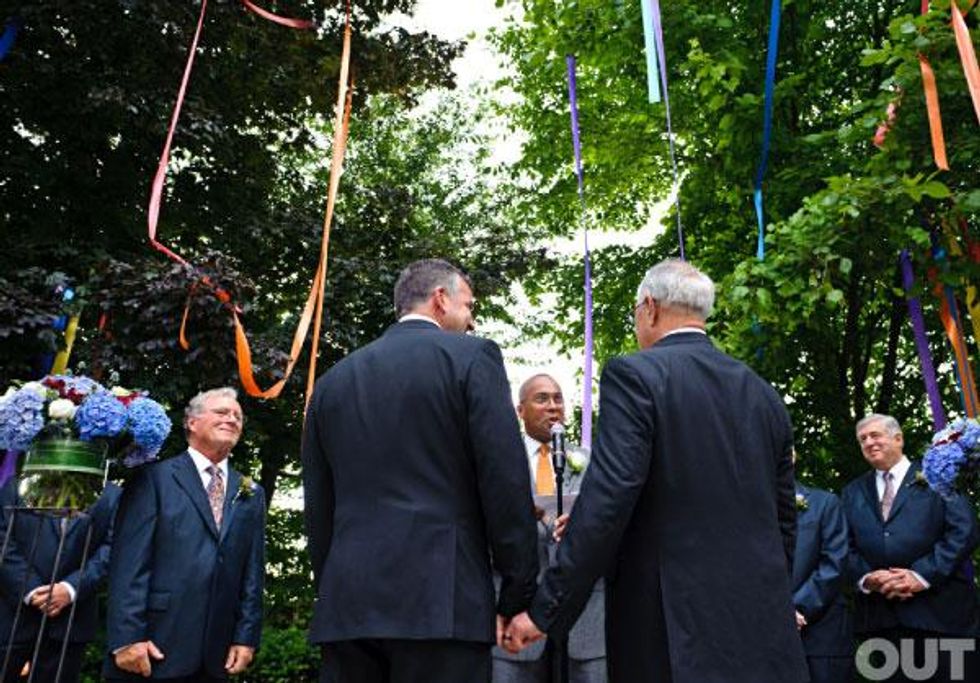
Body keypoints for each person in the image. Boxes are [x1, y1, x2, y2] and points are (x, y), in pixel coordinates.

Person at [504, 258, 809, 683]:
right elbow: (783, 521)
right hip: (760, 625)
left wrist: (544, 610)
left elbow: (609, 499)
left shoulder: (635, 376)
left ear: (649, 307)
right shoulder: (762, 393)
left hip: (672, 626)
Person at [302, 258, 539, 683]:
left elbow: (319, 503)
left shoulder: (334, 381)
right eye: (468, 306)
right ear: (440, 299)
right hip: (442, 602)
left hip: (349, 603)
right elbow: (503, 480)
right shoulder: (473, 357)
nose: (471, 321)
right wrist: (516, 592)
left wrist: (333, 585)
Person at [104, 388, 265, 682]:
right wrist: (127, 637)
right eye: (221, 412)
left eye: (237, 416)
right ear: (192, 422)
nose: (232, 419)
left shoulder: (251, 492)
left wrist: (246, 636)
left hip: (216, 655)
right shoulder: (153, 478)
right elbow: (129, 563)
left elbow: (252, 572)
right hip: (153, 647)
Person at [842, 414, 979, 683]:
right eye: (863, 439)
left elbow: (964, 530)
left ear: (898, 438)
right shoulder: (852, 492)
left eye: (875, 435)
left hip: (943, 618)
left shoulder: (938, 476)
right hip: (882, 623)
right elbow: (842, 546)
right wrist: (867, 578)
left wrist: (920, 576)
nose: (869, 442)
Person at [492, 374, 605, 683]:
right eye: (541, 399)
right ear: (520, 410)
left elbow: (610, 526)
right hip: (516, 617)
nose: (553, 407)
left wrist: (583, 527)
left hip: (585, 620)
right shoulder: (498, 462)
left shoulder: (591, 461)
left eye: (558, 399)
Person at [0, 480, 120, 683]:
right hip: (11, 618)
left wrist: (71, 588)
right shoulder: (18, 485)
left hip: (69, 626)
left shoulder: (113, 495)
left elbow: (114, 547)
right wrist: (31, 590)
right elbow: (2, 538)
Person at [792, 475, 853, 683]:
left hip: (819, 635)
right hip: (763, 634)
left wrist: (799, 608)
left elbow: (835, 560)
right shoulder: (748, 509)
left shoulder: (825, 503)